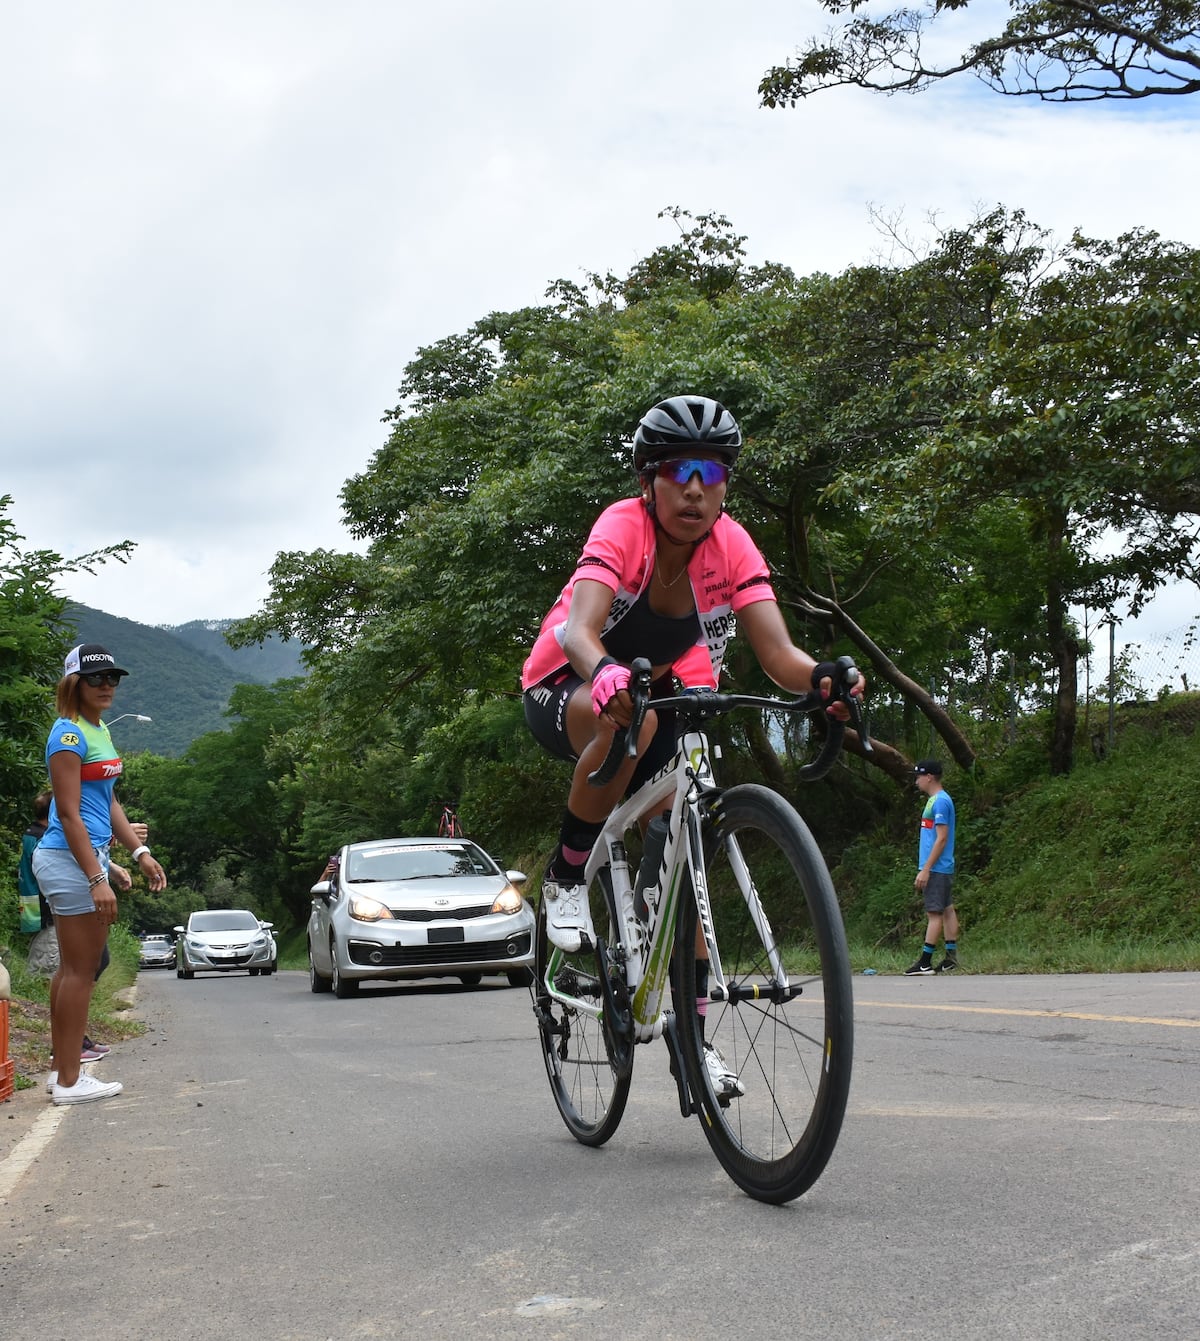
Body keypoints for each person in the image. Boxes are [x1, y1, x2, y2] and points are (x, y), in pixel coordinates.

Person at [521, 395, 865, 1098]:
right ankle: (566, 871)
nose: (696, 487)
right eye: (678, 470)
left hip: (664, 688)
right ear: (650, 480)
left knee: (692, 828)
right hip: (570, 687)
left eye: (711, 471)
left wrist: (824, 678)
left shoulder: (732, 543)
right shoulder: (624, 526)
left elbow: (777, 653)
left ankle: (689, 1032)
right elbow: (577, 632)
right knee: (633, 721)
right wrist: (606, 670)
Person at [32, 643, 167, 1104]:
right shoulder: (68, 735)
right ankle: (70, 1081)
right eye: (96, 679)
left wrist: (138, 851)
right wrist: (96, 878)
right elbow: (67, 814)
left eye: (113, 678)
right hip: (69, 861)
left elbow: (106, 801)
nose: (107, 685)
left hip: (83, 859)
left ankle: (60, 1071)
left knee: (73, 970)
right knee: (81, 972)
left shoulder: (99, 730)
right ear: (74, 683)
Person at [904, 759, 958, 975]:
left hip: (936, 867)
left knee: (934, 914)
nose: (916, 781)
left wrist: (926, 868)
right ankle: (951, 958)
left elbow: (942, 838)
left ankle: (925, 962)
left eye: (918, 776)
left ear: (929, 777)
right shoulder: (934, 801)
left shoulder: (941, 802)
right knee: (947, 910)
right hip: (938, 867)